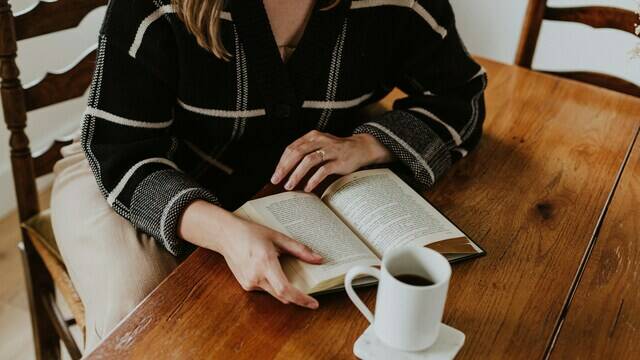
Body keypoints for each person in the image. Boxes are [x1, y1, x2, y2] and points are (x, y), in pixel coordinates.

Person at [51, 0, 486, 350]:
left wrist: (367, 145)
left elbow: (460, 96)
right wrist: (228, 233)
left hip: (288, 192)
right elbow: (119, 151)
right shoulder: (154, 6)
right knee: (147, 326)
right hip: (133, 170)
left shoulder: (400, 4)